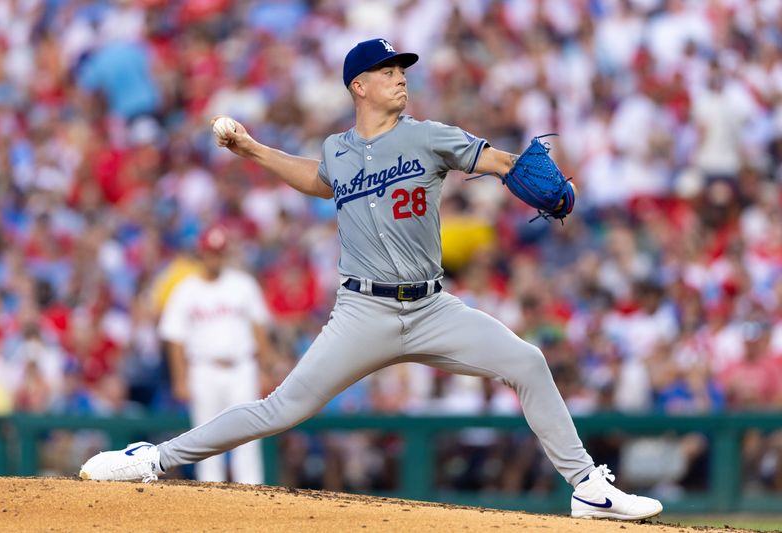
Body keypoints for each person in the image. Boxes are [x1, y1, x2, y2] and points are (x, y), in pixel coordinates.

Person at [80, 38, 662, 520]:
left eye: (401, 70)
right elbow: (317, 179)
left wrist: (544, 182)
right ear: (359, 86)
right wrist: (253, 149)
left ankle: (587, 486)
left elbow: (501, 163)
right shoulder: (339, 149)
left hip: (433, 309)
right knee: (280, 408)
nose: (400, 79)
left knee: (528, 362)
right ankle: (151, 459)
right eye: (387, 72)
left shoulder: (428, 135)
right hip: (364, 313)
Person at [158, 224, 272, 483]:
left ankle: (252, 494)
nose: (215, 258)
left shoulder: (242, 284)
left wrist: (264, 369)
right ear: (201, 253)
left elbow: (259, 328)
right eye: (211, 252)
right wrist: (180, 379)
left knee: (248, 436)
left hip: (242, 368)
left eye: (219, 253)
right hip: (204, 369)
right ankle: (210, 498)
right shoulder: (186, 289)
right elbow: (174, 337)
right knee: (205, 438)